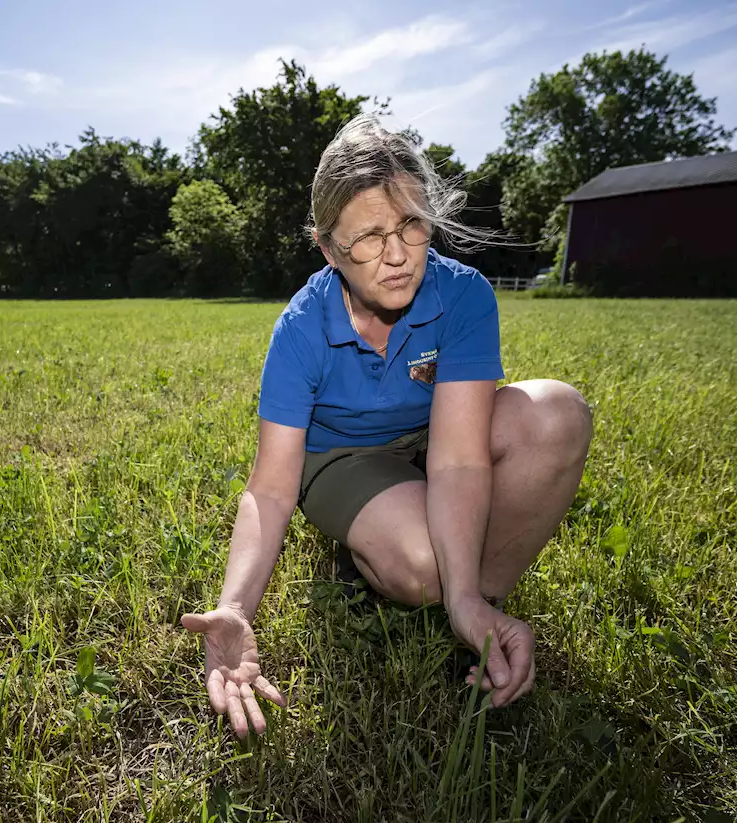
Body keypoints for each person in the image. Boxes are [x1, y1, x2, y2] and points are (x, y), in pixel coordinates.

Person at [180, 115, 593, 739]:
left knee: (557, 415)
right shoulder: (301, 326)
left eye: (411, 225)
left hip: (433, 440)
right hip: (342, 458)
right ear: (328, 249)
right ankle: (399, 565)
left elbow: (457, 458)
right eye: (368, 238)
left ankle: (476, 606)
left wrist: (466, 595)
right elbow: (269, 488)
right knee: (423, 564)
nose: (398, 255)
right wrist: (236, 606)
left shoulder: (463, 295)